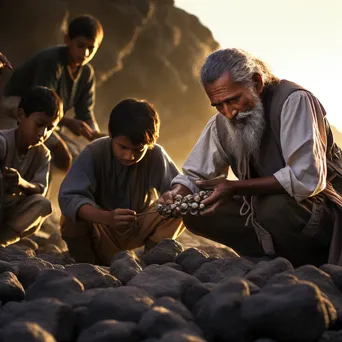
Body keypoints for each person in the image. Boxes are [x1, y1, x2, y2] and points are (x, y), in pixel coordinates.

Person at [159, 48, 342, 267]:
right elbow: (195, 175)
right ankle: (268, 257)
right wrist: (178, 193)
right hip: (266, 212)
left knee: (274, 207)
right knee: (194, 211)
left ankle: (310, 262)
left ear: (256, 83)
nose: (228, 112)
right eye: (218, 105)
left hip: (324, 214)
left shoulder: (294, 101)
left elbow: (306, 178)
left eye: (233, 100)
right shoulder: (221, 124)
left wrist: (236, 187)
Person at [59, 98, 184, 265]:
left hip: (137, 226)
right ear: (110, 133)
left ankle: (153, 258)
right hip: (101, 229)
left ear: (152, 141)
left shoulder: (155, 154)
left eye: (138, 150)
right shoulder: (93, 152)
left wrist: (171, 194)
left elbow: (180, 184)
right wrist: (107, 217)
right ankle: (87, 262)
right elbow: (69, 197)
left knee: (181, 205)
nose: (129, 156)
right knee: (71, 214)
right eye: (123, 147)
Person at [0, 15, 104, 172]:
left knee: (78, 157)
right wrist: (68, 124)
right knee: (54, 151)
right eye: (80, 45)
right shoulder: (52, 61)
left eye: (91, 48)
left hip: (51, 120)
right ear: (67, 40)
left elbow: (85, 112)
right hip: (18, 107)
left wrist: (95, 135)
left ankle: (41, 191)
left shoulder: (87, 73)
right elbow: (41, 102)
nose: (85, 53)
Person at [0, 86, 63, 246]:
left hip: (10, 213)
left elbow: (41, 189)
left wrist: (21, 183)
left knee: (43, 204)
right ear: (21, 115)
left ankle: (3, 241)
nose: (43, 133)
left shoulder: (43, 154)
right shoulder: (3, 142)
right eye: (39, 124)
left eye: (50, 129)